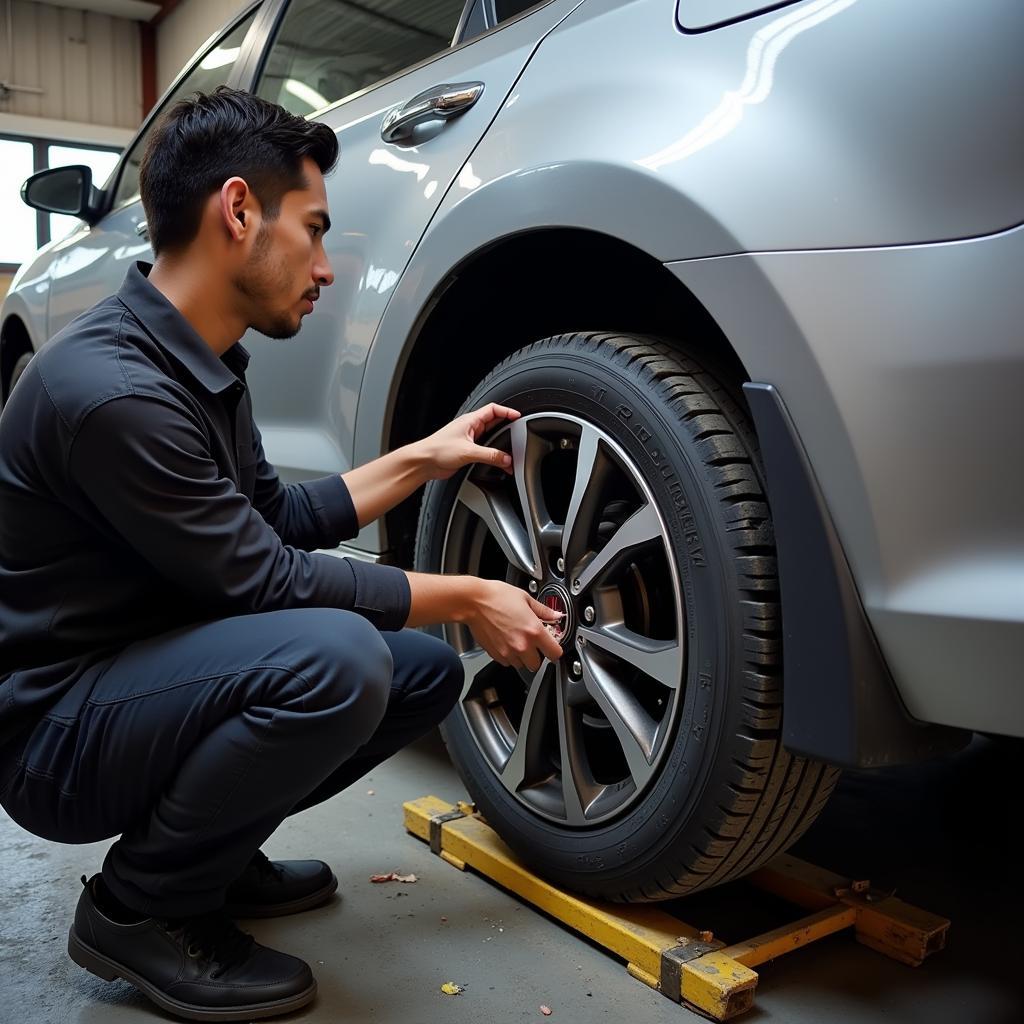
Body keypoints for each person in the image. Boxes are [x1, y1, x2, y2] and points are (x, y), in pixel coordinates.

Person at [0, 87, 563, 1022]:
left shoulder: (197, 363)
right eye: (315, 230)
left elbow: (277, 516)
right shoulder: (112, 390)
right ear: (238, 211)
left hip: (133, 674)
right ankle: (140, 907)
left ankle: (206, 855)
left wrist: (423, 456)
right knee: (336, 660)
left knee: (415, 669)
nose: (328, 267)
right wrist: (469, 592)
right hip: (53, 734)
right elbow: (264, 578)